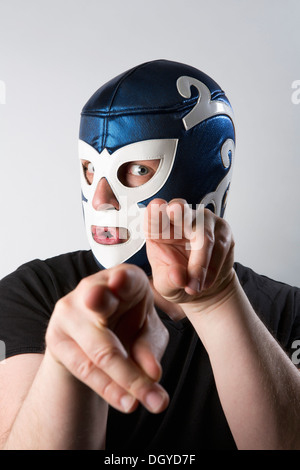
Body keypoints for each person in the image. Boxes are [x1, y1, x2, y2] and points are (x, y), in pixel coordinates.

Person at [0, 59, 299, 451]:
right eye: (90, 169)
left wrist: (216, 301)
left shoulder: (288, 311)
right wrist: (67, 362)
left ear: (204, 171)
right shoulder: (34, 291)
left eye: (137, 168)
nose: (101, 199)